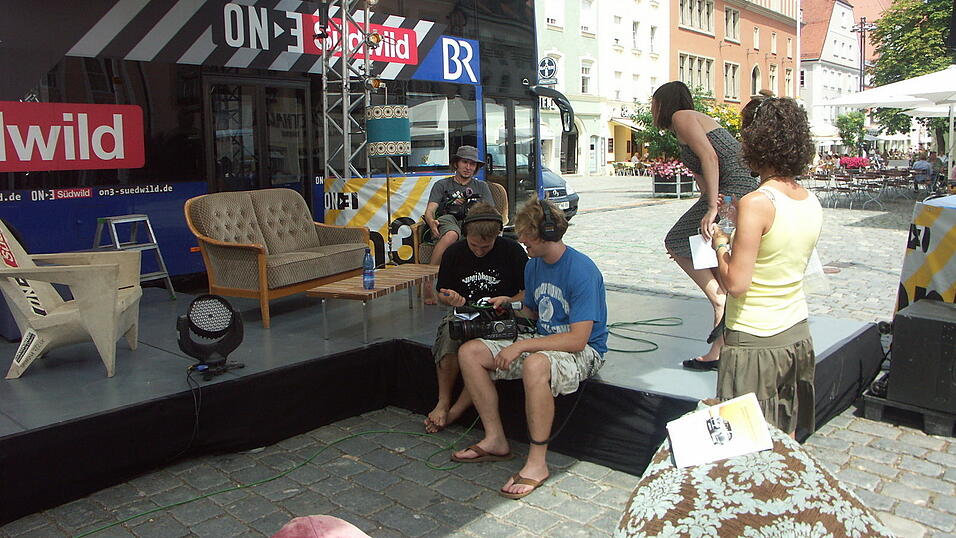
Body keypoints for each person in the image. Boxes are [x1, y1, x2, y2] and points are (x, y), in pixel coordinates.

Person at [450, 199, 608, 500]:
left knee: (536, 363)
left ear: (547, 233)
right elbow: (535, 312)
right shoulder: (534, 265)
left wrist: (522, 345)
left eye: (526, 235)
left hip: (585, 352)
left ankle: (537, 464)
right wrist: (509, 304)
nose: (520, 240)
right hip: (543, 341)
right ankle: (495, 439)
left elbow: (578, 340)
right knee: (470, 352)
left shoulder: (582, 270)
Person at [708, 96, 822, 437]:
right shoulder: (808, 199)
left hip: (756, 339)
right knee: (785, 437)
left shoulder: (756, 202)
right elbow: (777, 256)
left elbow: (736, 283)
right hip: (796, 333)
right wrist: (735, 224)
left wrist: (719, 242)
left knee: (746, 442)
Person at [651, 81, 759, 371]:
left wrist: (713, 207)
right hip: (732, 186)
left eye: (654, 103)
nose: (652, 109)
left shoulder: (682, 117)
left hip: (736, 185)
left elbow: (711, 156)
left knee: (676, 240)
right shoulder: (683, 124)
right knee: (704, 241)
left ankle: (719, 300)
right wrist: (707, 203)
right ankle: (721, 345)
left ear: (663, 103)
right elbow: (703, 172)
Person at [425, 203, 528, 433]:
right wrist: (449, 298)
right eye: (474, 245)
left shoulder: (513, 252)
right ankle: (443, 401)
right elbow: (441, 294)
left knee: (479, 353)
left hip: (500, 315)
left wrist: (508, 299)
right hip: (463, 314)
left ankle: (454, 412)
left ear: (497, 235)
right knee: (450, 337)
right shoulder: (454, 253)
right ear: (465, 234)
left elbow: (526, 292)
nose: (479, 251)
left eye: (486, 246)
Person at [423, 145, 496, 304]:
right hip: (448, 219)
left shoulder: (481, 187)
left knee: (474, 237)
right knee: (452, 234)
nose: (468, 167)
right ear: (456, 163)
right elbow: (430, 210)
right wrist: (432, 223)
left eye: (472, 164)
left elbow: (492, 212)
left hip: (472, 222)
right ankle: (428, 281)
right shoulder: (442, 185)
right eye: (465, 162)